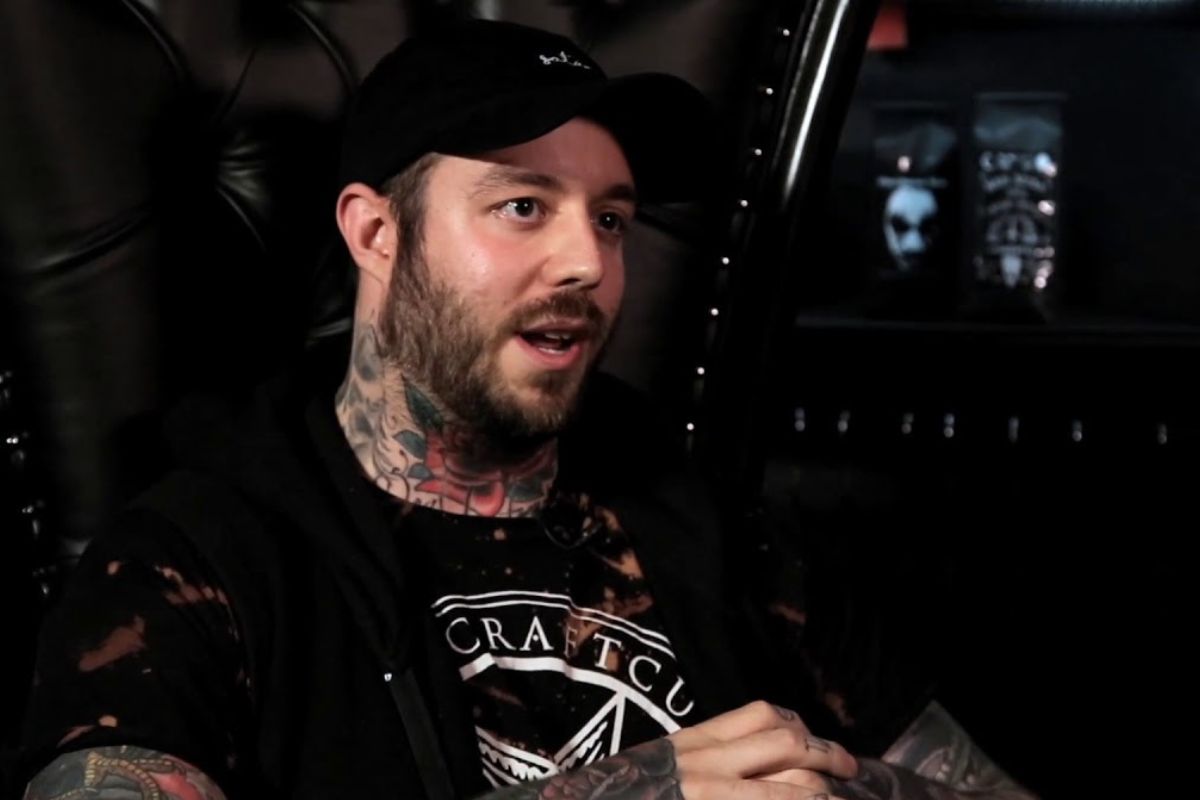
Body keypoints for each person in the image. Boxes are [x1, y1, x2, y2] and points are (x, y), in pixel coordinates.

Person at [18, 19, 1035, 800]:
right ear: (377, 232)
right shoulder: (193, 559)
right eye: (523, 207)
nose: (589, 263)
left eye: (611, 218)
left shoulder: (709, 528)